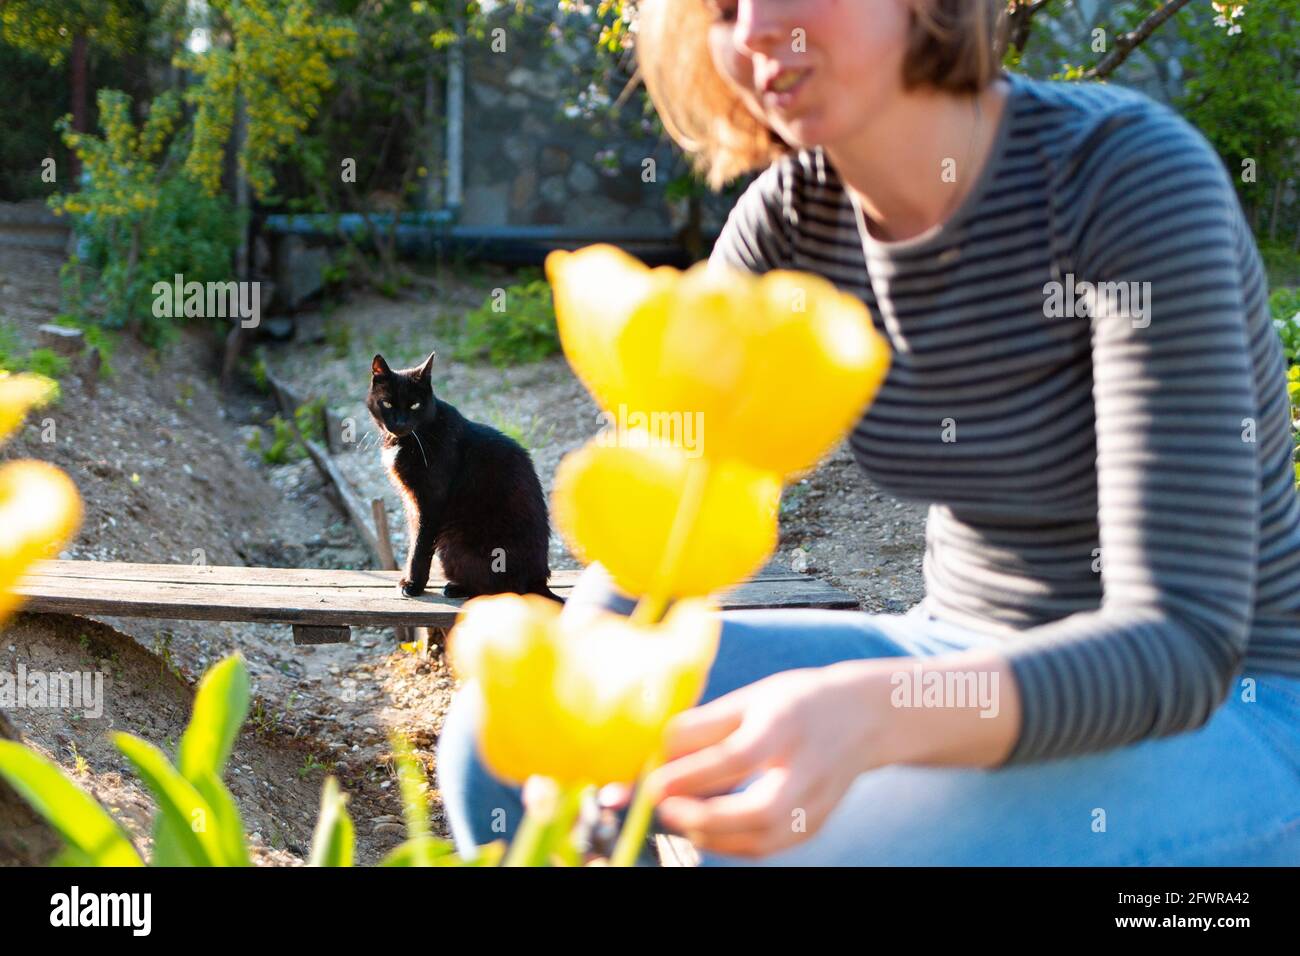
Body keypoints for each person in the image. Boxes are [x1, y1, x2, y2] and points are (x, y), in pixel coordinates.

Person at [438, 0, 1300, 865]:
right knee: (498, 744)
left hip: (1231, 713)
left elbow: (1181, 645)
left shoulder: (1123, 179)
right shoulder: (792, 220)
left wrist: (880, 711)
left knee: (817, 846)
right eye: (724, 7)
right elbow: (665, 513)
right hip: (949, 641)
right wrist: (582, 690)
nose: (757, 30)